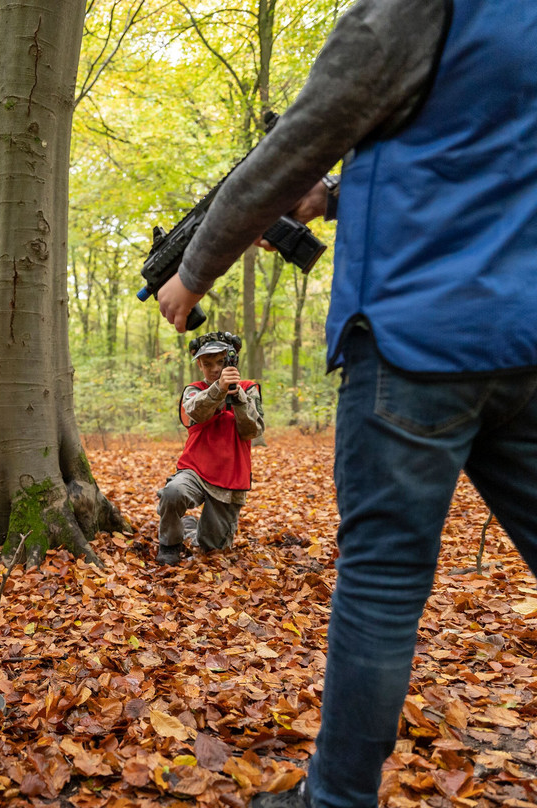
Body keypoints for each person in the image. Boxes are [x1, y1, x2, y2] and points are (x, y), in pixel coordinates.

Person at [154, 1, 537, 806]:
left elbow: (287, 147)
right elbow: (474, 153)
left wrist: (193, 270)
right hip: (527, 335)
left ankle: (334, 800)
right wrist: (333, 197)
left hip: (412, 340)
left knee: (385, 584)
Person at [156, 331, 263, 564]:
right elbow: (195, 411)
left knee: (211, 549)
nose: (215, 368)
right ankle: (169, 544)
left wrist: (238, 397)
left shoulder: (248, 389)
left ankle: (191, 529)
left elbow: (252, 430)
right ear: (200, 366)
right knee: (172, 493)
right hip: (195, 469)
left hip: (230, 478)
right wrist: (218, 390)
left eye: (221, 362)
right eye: (208, 364)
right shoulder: (193, 390)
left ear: (232, 362)